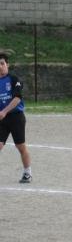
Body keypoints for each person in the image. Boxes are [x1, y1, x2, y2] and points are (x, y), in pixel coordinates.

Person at [0, 51, 32, 183]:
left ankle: (27, 173)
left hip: (16, 117)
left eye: (2, 63)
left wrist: (4, 111)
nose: (0, 66)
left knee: (21, 146)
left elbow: (17, 98)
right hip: (2, 119)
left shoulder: (14, 80)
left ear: (7, 64)